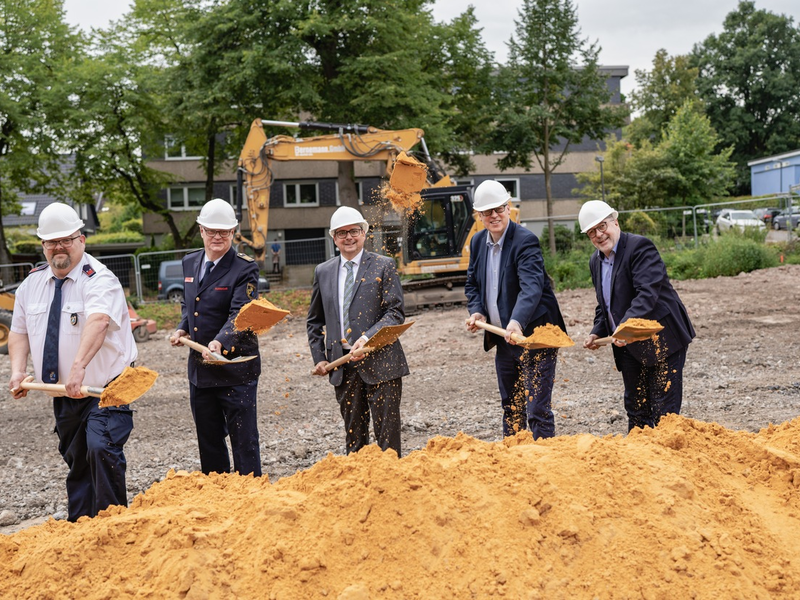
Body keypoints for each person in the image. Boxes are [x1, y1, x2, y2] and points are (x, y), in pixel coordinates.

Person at [8, 202, 137, 521]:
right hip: (64, 394)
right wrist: (17, 371)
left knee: (100, 447)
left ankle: (113, 525)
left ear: (81, 239)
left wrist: (78, 366)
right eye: (52, 241)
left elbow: (98, 321)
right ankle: (80, 528)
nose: (58, 247)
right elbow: (19, 332)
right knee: (78, 460)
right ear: (43, 245)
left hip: (106, 388)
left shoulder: (99, 279)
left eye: (66, 239)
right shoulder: (31, 285)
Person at [579, 200, 696, 431]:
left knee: (665, 413)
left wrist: (623, 327)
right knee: (636, 409)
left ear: (615, 222)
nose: (599, 235)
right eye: (592, 232)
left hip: (663, 339)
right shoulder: (596, 261)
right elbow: (606, 305)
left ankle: (669, 461)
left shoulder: (640, 247)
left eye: (602, 226)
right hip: (629, 346)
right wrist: (597, 331)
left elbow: (646, 294)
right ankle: (641, 464)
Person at [465, 180, 567, 439]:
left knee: (536, 409)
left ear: (508, 208)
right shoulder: (477, 243)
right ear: (479, 216)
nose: (494, 216)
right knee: (511, 407)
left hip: (534, 337)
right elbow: (473, 283)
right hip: (504, 339)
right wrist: (477, 311)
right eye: (487, 212)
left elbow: (531, 287)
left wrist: (517, 321)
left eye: (499, 209)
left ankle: (544, 461)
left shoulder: (525, 240)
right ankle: (514, 461)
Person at [169, 198, 262, 476]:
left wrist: (220, 341)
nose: (217, 237)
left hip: (236, 367)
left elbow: (241, 314)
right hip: (200, 370)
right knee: (209, 442)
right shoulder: (189, 262)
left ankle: (251, 494)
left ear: (233, 232)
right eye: (212, 231)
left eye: (224, 232)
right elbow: (190, 304)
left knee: (244, 442)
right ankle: (217, 495)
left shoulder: (245, 267)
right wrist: (182, 327)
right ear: (201, 230)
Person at [307, 206, 408, 456]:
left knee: (388, 439)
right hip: (344, 367)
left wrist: (366, 338)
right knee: (354, 439)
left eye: (354, 231)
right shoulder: (324, 272)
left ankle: (393, 487)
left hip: (382, 362)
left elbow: (394, 313)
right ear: (333, 238)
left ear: (364, 233)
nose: (348, 237)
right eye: (341, 233)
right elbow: (314, 321)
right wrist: (320, 358)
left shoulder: (383, 265)